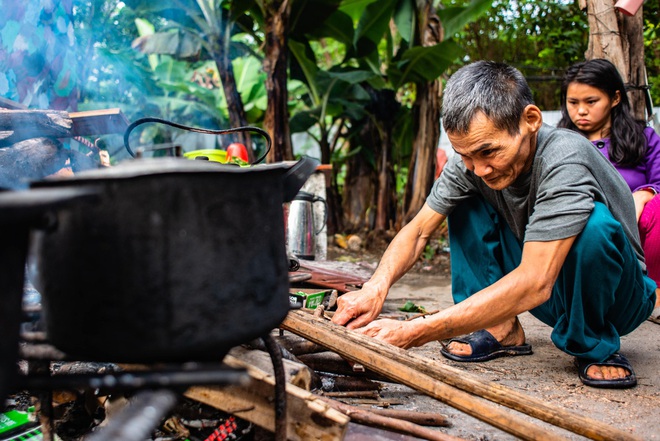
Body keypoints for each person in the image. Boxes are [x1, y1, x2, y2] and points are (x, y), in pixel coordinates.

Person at [331, 61, 656, 389]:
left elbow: (535, 281)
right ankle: (501, 329)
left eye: (488, 151)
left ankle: (594, 342)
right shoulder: (471, 163)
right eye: (466, 155)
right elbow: (419, 231)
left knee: (594, 227)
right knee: (462, 199)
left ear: (530, 120)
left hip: (619, 298)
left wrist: (414, 331)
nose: (479, 168)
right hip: (554, 294)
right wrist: (375, 287)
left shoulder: (565, 159)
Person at [557, 58, 660, 325]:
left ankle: (653, 291)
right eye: (573, 103)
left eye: (591, 102)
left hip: (638, 234)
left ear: (615, 98)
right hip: (582, 232)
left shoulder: (643, 138)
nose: (580, 111)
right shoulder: (558, 143)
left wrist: (643, 194)